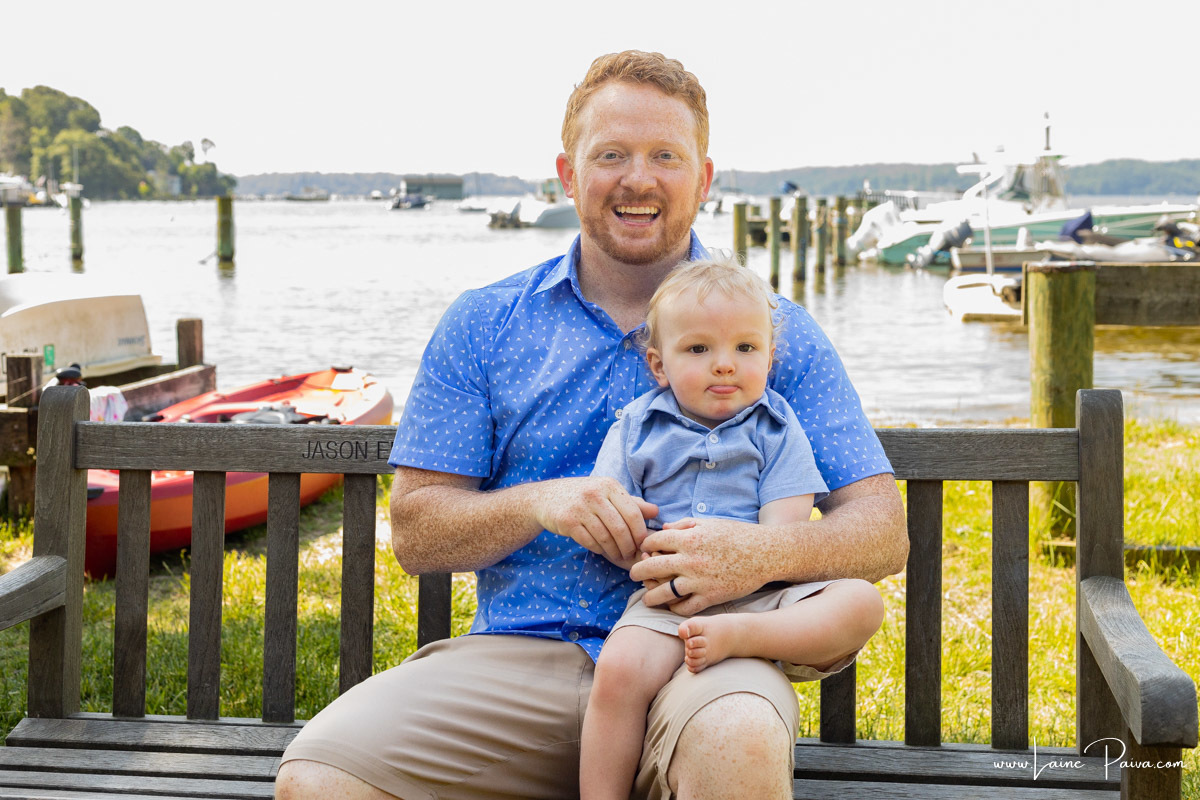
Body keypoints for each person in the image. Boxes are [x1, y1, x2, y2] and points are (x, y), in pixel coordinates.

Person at [275, 50, 907, 800]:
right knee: (318, 780)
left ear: (702, 179)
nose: (638, 179)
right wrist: (542, 501)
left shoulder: (772, 334)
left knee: (735, 740)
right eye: (611, 155)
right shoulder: (485, 323)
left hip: (705, 654)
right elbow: (416, 533)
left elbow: (880, 530)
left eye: (665, 156)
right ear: (569, 175)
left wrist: (756, 553)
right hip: (520, 660)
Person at [578, 257, 885, 800]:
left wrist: (747, 563)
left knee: (861, 602)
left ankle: (740, 638)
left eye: (745, 348)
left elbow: (781, 532)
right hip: (667, 598)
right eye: (698, 349)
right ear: (658, 364)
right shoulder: (636, 429)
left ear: (769, 356)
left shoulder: (777, 425)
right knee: (619, 672)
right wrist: (644, 549)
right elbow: (614, 517)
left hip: (763, 599)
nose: (725, 365)